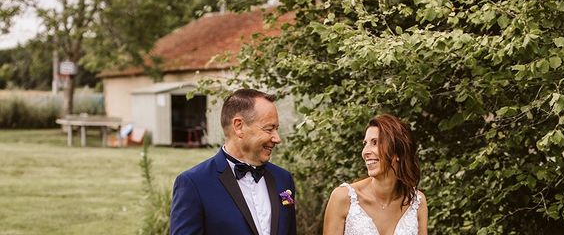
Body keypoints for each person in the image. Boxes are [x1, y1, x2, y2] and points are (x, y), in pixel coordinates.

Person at [170, 88, 297, 235]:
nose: (277, 138)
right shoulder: (194, 184)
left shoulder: (283, 179)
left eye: (277, 129)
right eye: (269, 129)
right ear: (239, 126)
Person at [323, 114, 428, 235]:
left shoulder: (417, 202)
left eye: (375, 143)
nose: (365, 152)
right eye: (365, 143)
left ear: (397, 151)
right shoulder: (343, 198)